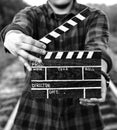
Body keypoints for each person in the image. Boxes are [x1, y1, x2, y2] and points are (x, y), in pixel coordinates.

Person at [0, 0, 112, 129]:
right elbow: (19, 26)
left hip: (82, 114)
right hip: (34, 111)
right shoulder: (31, 14)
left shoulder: (94, 16)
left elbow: (98, 48)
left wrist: (99, 71)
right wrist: (11, 36)